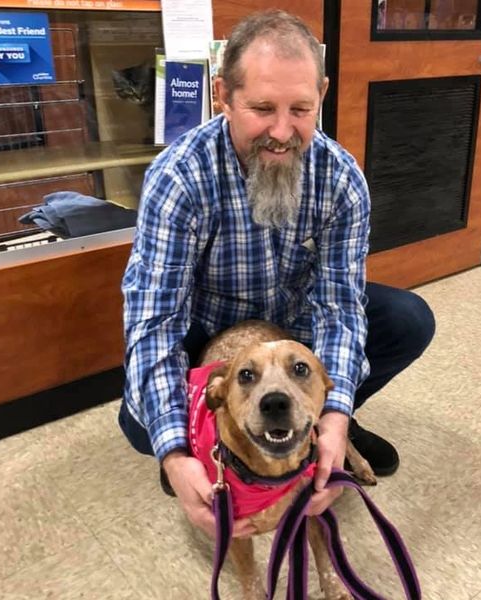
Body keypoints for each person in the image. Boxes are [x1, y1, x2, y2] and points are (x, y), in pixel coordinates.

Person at [119, 10, 435, 539]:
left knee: (408, 319)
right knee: (141, 426)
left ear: (323, 94)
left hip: (295, 329)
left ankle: (309, 421)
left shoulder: (341, 178)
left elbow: (338, 307)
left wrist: (333, 415)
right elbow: (154, 322)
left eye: (301, 109)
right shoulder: (178, 177)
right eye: (262, 108)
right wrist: (175, 450)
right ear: (223, 94)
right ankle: (214, 433)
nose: (283, 132)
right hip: (209, 333)